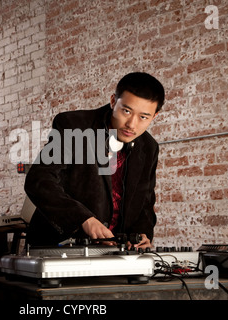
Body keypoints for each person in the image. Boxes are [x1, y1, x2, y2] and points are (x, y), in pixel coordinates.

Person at [24, 72, 164, 250]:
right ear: (113, 101)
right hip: (60, 247)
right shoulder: (72, 125)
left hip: (114, 253)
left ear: (155, 116)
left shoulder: (149, 147)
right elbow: (39, 180)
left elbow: (145, 202)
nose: (132, 124)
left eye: (143, 117)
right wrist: (82, 219)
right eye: (126, 111)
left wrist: (142, 232)